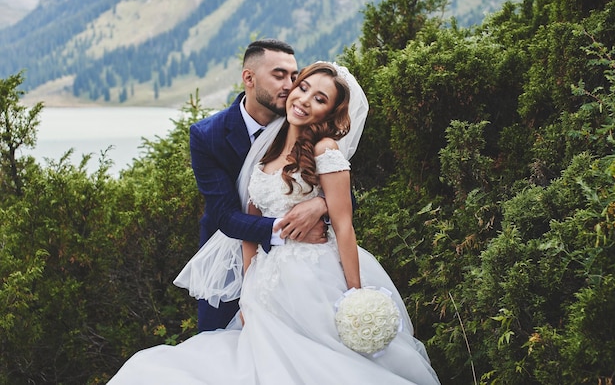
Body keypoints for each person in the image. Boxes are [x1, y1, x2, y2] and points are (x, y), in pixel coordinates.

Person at [109, 63, 440, 384]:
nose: (305, 100)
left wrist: (355, 294)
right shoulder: (267, 148)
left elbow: (344, 225)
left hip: (316, 276)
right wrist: (247, 290)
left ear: (329, 113)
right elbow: (249, 225)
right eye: (304, 88)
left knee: (321, 362)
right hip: (266, 282)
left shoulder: (325, 149)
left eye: (320, 99)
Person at [188, 39, 328, 331]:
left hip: (298, 269)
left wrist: (320, 204)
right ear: (249, 78)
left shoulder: (304, 126)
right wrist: (288, 231)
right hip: (226, 262)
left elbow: (343, 195)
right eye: (279, 75)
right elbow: (225, 215)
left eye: (294, 76)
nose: (290, 85)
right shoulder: (207, 136)